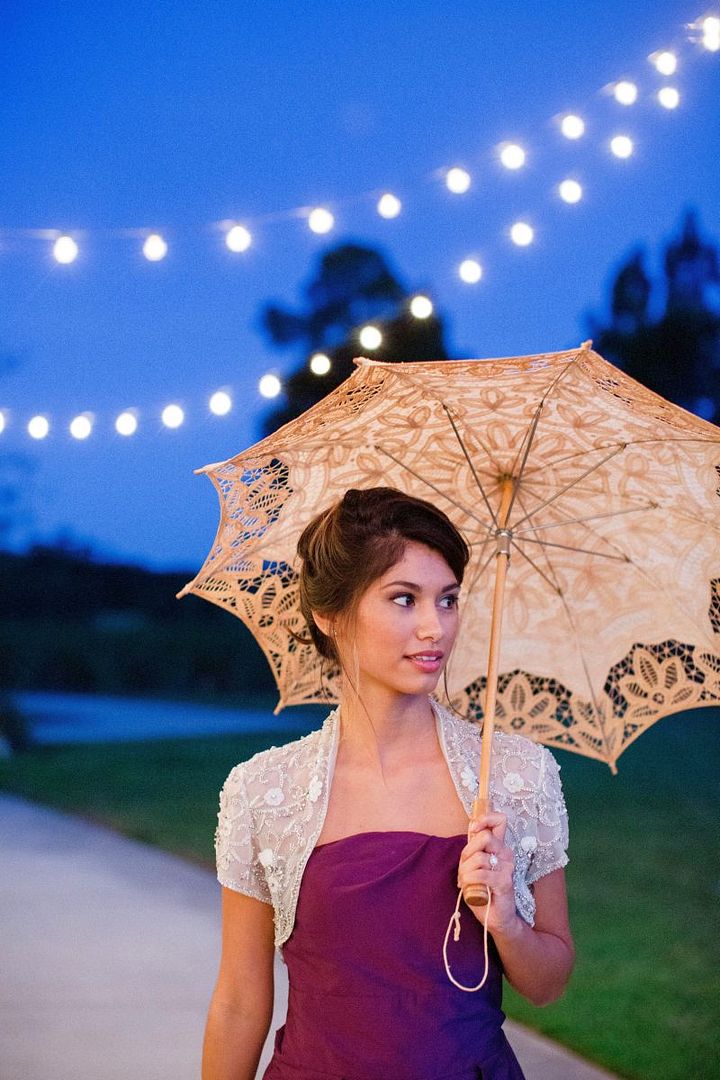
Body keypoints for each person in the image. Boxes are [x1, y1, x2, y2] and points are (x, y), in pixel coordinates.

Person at [202, 487, 574, 1080]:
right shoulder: (262, 791)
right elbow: (240, 1000)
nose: (436, 627)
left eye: (448, 600)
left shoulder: (513, 776)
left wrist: (504, 916)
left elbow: (548, 984)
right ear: (329, 614)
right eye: (405, 599)